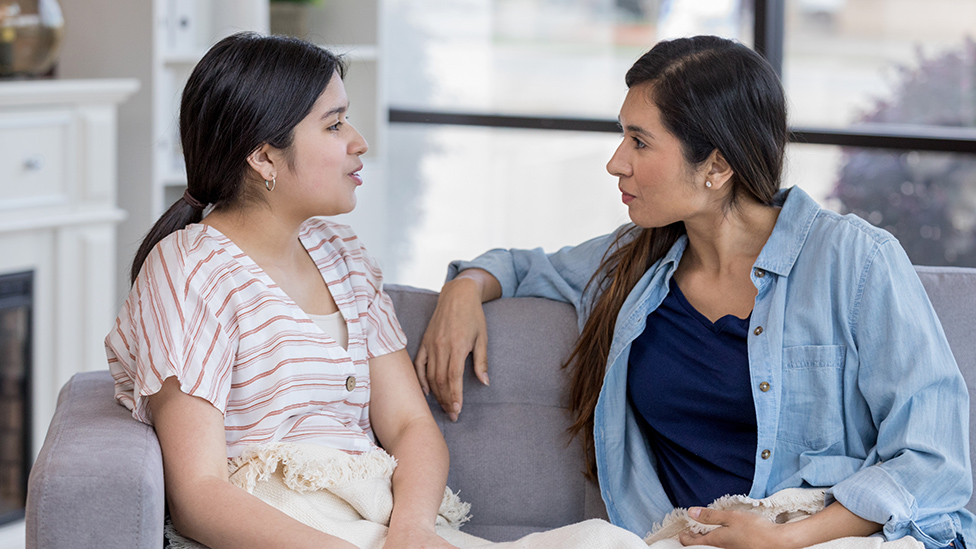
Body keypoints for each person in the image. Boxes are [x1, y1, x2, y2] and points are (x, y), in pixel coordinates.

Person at [415, 35, 974, 549]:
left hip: (824, 536)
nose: (616, 163)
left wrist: (786, 538)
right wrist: (463, 291)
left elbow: (934, 459)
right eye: (622, 136)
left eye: (639, 141)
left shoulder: (855, 260)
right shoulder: (631, 262)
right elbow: (519, 266)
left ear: (717, 165)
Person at [105, 33, 461, 549]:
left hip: (380, 522)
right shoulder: (188, 270)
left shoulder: (343, 253)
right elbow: (198, 495)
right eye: (334, 124)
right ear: (265, 158)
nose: (359, 141)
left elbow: (410, 425)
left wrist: (411, 531)